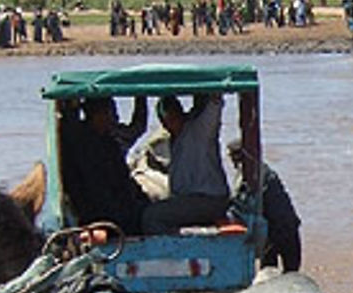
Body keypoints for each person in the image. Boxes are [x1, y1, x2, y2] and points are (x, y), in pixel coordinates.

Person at [61, 96, 150, 234]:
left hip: (116, 206)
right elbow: (102, 189)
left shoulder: (110, 139)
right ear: (97, 115)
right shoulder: (82, 144)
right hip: (102, 214)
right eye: (110, 113)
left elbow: (138, 127)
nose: (114, 118)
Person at [141, 93, 230, 233]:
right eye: (165, 120)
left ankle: (173, 251)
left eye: (173, 116)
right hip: (188, 200)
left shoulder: (200, 130)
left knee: (152, 216)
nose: (169, 123)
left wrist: (214, 97)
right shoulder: (173, 140)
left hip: (208, 200)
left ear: (180, 113)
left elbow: (214, 107)